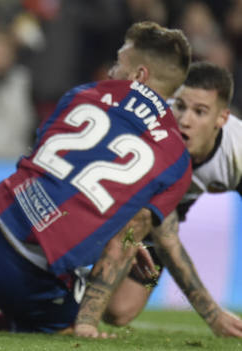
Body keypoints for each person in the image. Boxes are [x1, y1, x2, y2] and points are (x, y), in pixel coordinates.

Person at [0, 22, 192, 337]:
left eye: (119, 62)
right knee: (81, 313)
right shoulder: (177, 158)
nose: (111, 70)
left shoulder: (84, 93)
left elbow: (44, 171)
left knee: (5, 211)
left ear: (139, 76)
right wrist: (88, 323)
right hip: (24, 277)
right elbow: (124, 239)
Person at [103, 61, 242, 337]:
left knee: (120, 311)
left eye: (200, 112)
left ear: (221, 118)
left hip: (165, 215)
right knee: (129, 238)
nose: (185, 120)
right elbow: (166, 239)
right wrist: (212, 314)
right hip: (122, 212)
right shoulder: (152, 135)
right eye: (180, 106)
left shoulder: (237, 153)